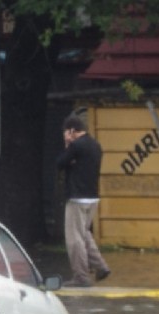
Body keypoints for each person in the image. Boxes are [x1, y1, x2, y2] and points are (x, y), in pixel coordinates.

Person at [56, 115, 111, 287]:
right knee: (84, 233)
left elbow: (60, 163)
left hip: (77, 197)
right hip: (93, 197)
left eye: (66, 132)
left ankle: (81, 277)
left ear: (72, 130)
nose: (65, 135)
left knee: (74, 239)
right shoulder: (95, 145)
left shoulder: (76, 146)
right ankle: (101, 266)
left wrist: (67, 145)